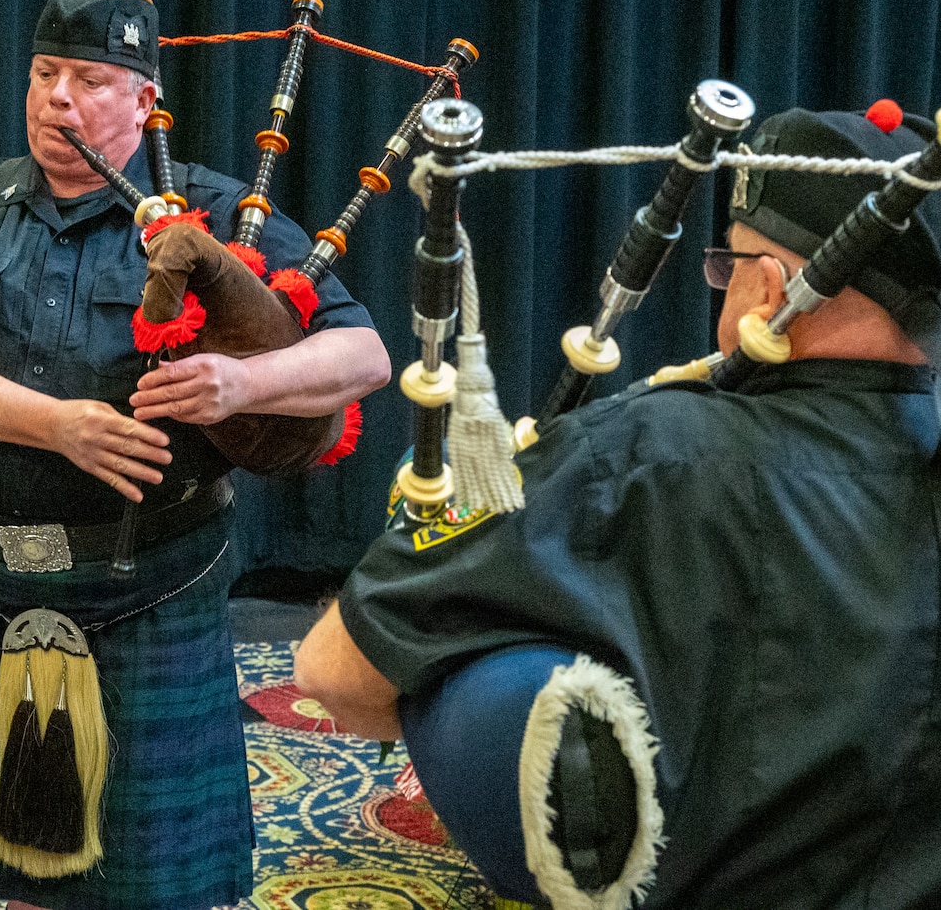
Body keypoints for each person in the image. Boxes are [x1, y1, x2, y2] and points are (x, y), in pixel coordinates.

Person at [294, 105, 941, 908]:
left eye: (729, 265)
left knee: (452, 622)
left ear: (770, 287)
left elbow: (334, 670)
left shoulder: (649, 451)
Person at [0, 0, 390, 910]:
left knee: (153, 881)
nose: (57, 96)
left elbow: (365, 356)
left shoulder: (213, 213)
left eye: (89, 79)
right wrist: (55, 424)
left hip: (152, 584)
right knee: (24, 866)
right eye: (44, 73)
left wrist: (242, 384)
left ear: (144, 100)